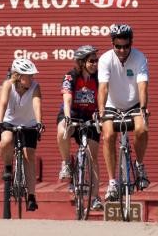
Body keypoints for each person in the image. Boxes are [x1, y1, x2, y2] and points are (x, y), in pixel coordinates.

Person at [97, 23, 150, 201]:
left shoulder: (139, 58)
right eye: (118, 46)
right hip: (112, 104)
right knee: (109, 135)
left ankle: (139, 165)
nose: (122, 50)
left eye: (126, 46)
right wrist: (101, 111)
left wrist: (143, 108)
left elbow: (142, 86)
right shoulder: (105, 59)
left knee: (142, 129)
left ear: (131, 43)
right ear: (113, 44)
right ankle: (112, 182)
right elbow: (103, 88)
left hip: (133, 103)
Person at [56, 44, 104, 211]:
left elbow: (103, 98)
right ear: (82, 62)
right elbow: (67, 99)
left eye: (96, 61)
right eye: (92, 61)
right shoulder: (71, 76)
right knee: (63, 129)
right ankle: (67, 163)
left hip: (91, 116)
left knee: (92, 155)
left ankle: (95, 197)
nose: (95, 64)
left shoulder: (99, 77)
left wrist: (101, 115)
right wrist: (68, 117)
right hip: (74, 113)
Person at [0, 58, 44, 211]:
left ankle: (31, 196)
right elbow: (2, 104)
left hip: (29, 124)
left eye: (32, 75)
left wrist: (39, 122)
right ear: (18, 76)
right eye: (28, 75)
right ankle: (8, 167)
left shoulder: (35, 87)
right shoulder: (8, 85)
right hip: (9, 122)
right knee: (6, 141)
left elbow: (37, 104)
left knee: (29, 155)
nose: (31, 78)